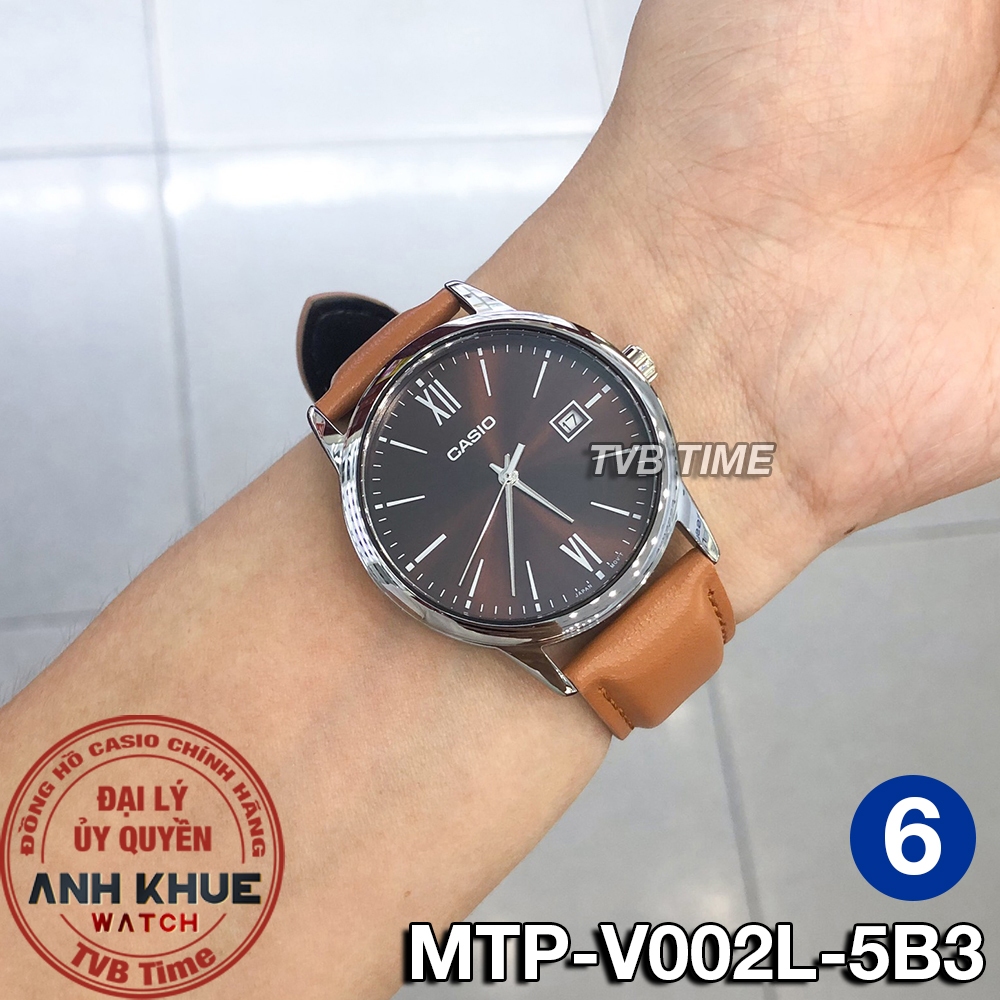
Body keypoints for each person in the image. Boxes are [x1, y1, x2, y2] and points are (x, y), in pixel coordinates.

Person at [2, 0, 998, 995]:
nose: (508, 472)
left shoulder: (530, 388)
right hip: (548, 592)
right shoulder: (401, 526)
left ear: (625, 370)